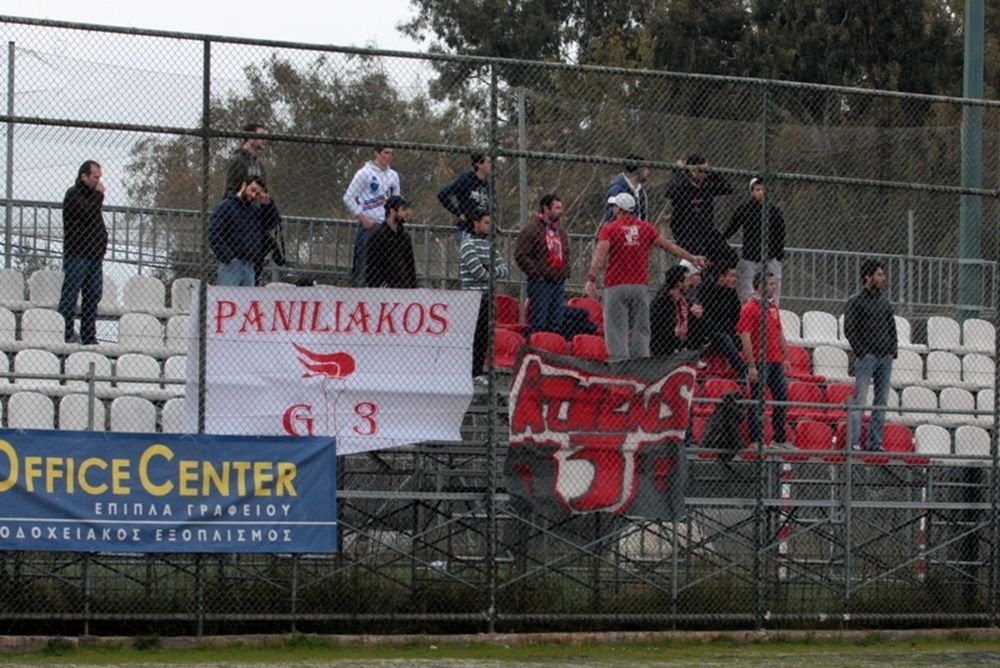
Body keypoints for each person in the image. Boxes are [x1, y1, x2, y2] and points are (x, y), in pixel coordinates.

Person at [585, 192, 706, 361]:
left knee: (616, 328)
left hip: (616, 284)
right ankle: (640, 363)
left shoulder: (610, 229)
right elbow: (669, 246)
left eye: (614, 206)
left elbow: (600, 253)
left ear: (619, 209)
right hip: (639, 285)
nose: (612, 209)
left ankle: (620, 364)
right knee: (640, 327)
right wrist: (692, 257)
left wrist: (591, 278)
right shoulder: (645, 228)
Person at [843, 259, 897, 452]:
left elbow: (892, 328)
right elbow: (850, 329)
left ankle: (876, 443)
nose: (883, 278)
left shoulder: (884, 303)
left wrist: (893, 351)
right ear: (868, 277)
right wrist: (862, 352)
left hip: (884, 357)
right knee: (861, 399)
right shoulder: (855, 302)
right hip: (867, 357)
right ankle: (855, 442)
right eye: (879, 274)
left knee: (881, 400)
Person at [223, 123, 286, 285]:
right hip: (239, 224)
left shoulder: (259, 165)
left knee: (253, 278)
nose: (265, 139)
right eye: (260, 135)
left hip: (256, 225)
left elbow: (264, 192)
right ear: (250, 137)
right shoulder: (238, 161)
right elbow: (230, 192)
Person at [737, 272, 792, 448]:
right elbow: (745, 337)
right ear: (759, 286)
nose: (773, 287)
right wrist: (751, 365)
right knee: (757, 400)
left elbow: (779, 332)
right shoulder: (750, 308)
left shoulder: (772, 307)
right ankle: (755, 440)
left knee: (781, 398)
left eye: (774, 284)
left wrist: (786, 356)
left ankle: (779, 439)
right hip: (761, 361)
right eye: (769, 284)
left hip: (775, 360)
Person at [58, 160, 107, 345]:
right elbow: (85, 213)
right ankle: (66, 332)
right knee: (71, 294)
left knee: (93, 294)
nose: (98, 181)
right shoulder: (74, 194)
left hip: (94, 255)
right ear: (84, 176)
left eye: (99, 177)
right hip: (77, 254)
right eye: (95, 177)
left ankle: (88, 335)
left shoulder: (93, 196)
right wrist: (99, 196)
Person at [459, 209, 509, 381]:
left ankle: (478, 372)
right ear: (476, 223)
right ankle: (468, 373)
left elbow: (505, 270)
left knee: (483, 337)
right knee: (472, 337)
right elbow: (478, 272)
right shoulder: (467, 245)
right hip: (472, 299)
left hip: (487, 297)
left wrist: (490, 271)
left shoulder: (489, 246)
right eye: (486, 223)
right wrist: (491, 272)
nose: (489, 226)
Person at [342, 146, 401, 287]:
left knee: (387, 266)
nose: (389, 156)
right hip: (370, 226)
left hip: (387, 227)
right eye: (386, 153)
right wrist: (363, 218)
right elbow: (348, 197)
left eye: (391, 153)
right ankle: (357, 299)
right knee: (363, 266)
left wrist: (395, 222)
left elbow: (397, 200)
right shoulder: (364, 173)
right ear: (377, 153)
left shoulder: (394, 175)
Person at [514, 194, 571, 337]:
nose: (561, 211)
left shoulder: (560, 232)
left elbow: (566, 253)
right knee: (539, 322)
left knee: (556, 322)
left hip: (558, 282)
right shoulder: (532, 230)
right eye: (557, 208)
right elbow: (521, 255)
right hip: (541, 283)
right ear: (546, 208)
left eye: (561, 207)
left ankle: (552, 352)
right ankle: (535, 350)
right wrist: (537, 273)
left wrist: (565, 272)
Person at [666, 154, 736, 267]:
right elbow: (670, 192)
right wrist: (678, 171)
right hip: (686, 231)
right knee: (700, 253)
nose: (704, 174)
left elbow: (727, 187)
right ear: (692, 170)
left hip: (706, 229)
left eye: (705, 171)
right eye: (701, 171)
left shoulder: (707, 185)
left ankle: (714, 276)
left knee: (731, 256)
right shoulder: (683, 185)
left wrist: (711, 171)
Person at [724, 176, 786, 303]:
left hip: (770, 256)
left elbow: (780, 233)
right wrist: (721, 239)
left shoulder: (773, 211)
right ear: (752, 192)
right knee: (747, 290)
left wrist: (779, 256)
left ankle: (771, 314)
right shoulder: (745, 209)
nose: (761, 192)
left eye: (763, 190)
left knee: (774, 289)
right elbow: (733, 227)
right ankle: (749, 313)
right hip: (750, 256)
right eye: (757, 190)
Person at [209, 176, 274, 286]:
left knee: (247, 301)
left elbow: (270, 224)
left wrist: (267, 205)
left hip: (250, 265)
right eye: (252, 190)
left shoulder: (254, 211)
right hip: (232, 265)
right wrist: (228, 257)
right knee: (227, 298)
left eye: (257, 194)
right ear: (244, 186)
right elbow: (214, 233)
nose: (253, 196)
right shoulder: (226, 206)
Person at [695, 263, 748, 377]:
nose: (735, 279)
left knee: (745, 340)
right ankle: (745, 372)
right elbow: (704, 319)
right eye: (732, 276)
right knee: (726, 339)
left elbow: (736, 316)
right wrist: (724, 330)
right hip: (707, 333)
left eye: (735, 276)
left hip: (725, 331)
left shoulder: (731, 292)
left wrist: (735, 330)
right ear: (721, 277)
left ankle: (757, 367)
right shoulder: (705, 290)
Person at [437, 154, 492, 245]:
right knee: (469, 257)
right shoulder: (466, 180)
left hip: (483, 233)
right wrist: (458, 213)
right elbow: (442, 195)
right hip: (466, 229)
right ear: (479, 165)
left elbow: (487, 208)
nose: (491, 165)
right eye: (488, 162)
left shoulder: (487, 185)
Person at [365, 196, 417, 289]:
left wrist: (412, 287)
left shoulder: (405, 237)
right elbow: (373, 267)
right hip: (384, 289)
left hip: (404, 287)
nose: (407, 213)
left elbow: (410, 265)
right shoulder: (378, 236)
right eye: (403, 209)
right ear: (392, 211)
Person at [649, 265, 691, 357]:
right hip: (664, 347)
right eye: (687, 280)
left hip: (679, 343)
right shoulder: (664, 301)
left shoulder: (682, 300)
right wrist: (678, 345)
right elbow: (663, 329)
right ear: (679, 283)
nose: (689, 283)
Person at [602, 155, 650, 226]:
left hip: (638, 231)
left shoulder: (640, 190)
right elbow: (611, 215)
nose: (648, 172)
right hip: (622, 231)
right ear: (639, 170)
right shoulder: (617, 188)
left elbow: (643, 215)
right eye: (646, 168)